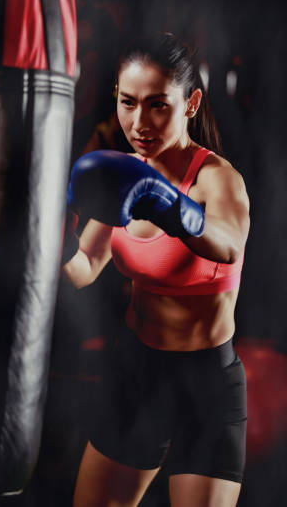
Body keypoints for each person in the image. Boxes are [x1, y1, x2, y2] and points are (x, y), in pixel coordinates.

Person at [63, 33, 250, 507]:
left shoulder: (216, 178)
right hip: (137, 374)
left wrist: (171, 207)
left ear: (191, 103)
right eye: (128, 103)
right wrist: (49, 240)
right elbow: (84, 267)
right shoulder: (120, 174)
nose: (139, 122)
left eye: (157, 105)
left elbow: (228, 245)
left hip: (205, 384)